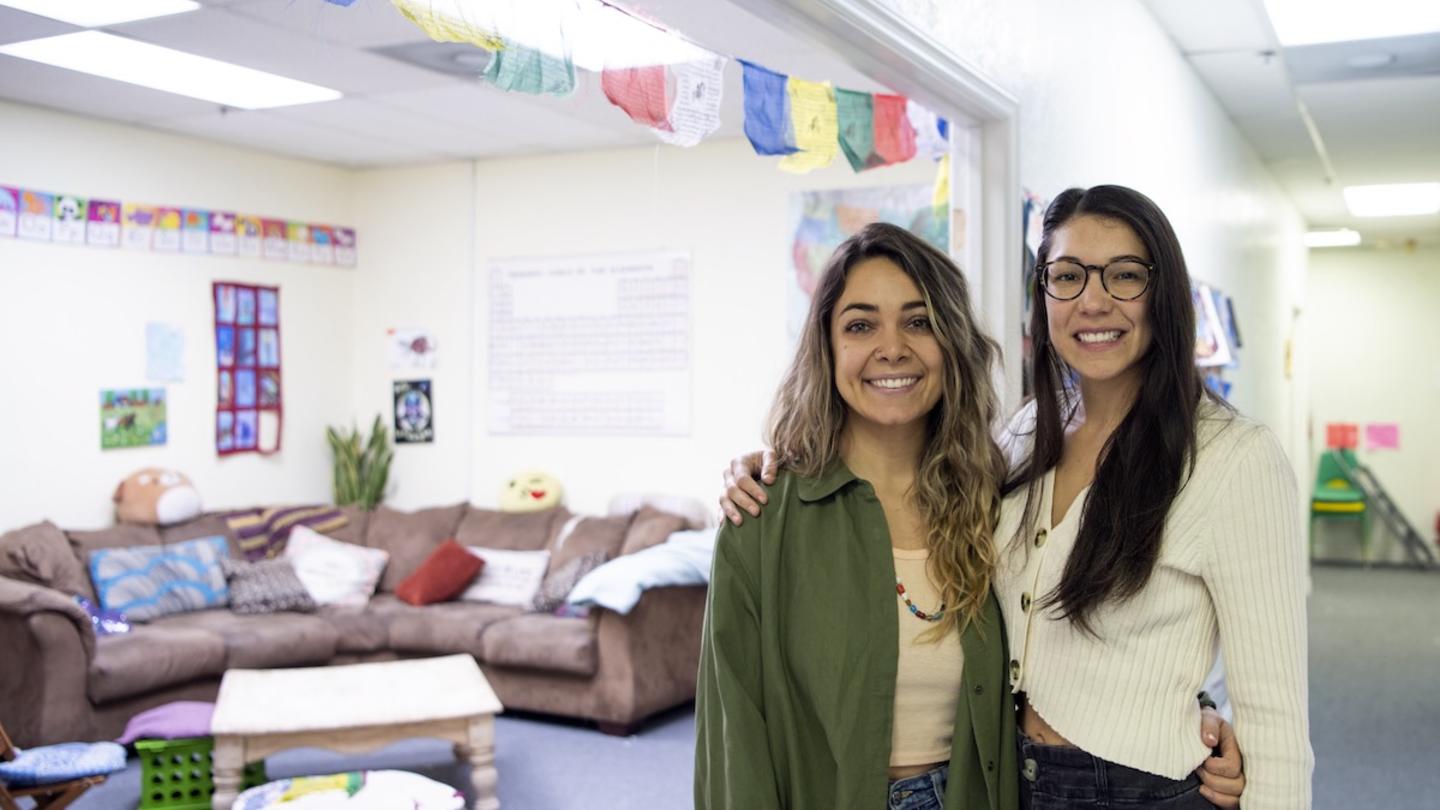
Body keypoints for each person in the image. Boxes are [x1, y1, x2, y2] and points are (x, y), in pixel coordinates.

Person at [700, 220, 1245, 810]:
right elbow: (734, 739)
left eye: (918, 321)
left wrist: (1200, 714)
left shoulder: (998, 495)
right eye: (860, 325)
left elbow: (1081, 642)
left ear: (951, 342)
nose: (891, 347)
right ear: (827, 348)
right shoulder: (764, 517)